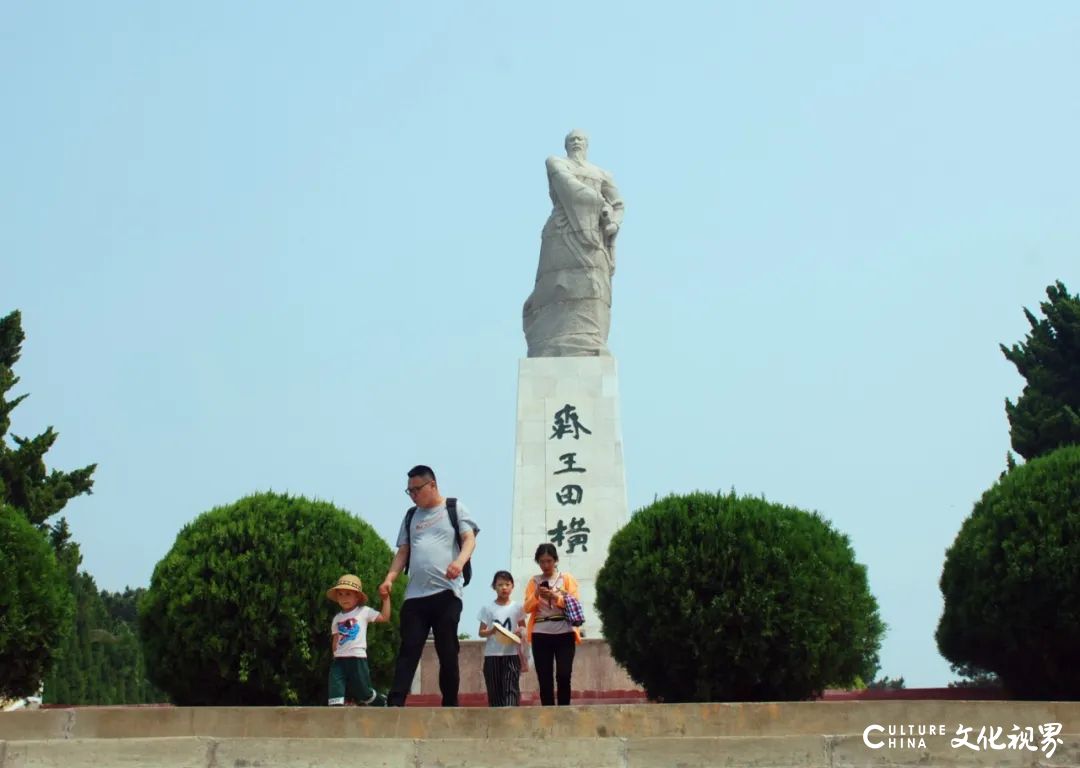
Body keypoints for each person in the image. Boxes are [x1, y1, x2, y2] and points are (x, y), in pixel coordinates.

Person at [379, 465, 479, 707]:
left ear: (432, 484)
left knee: (447, 651)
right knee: (409, 648)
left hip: (446, 593)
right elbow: (403, 550)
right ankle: (395, 703)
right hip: (415, 596)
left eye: (417, 489)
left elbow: (469, 539)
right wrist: (390, 578)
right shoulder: (411, 516)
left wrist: (459, 561)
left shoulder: (454, 508)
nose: (413, 494)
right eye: (409, 491)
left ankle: (450, 704)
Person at [522, 129, 625, 358]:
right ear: (566, 145)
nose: (576, 142)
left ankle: (592, 340)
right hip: (561, 233)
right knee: (556, 286)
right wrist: (601, 204)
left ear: (587, 144)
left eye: (580, 139)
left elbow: (618, 204)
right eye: (572, 139)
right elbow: (569, 187)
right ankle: (550, 341)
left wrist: (613, 223)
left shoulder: (601, 173)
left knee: (594, 286)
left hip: (594, 238)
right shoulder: (556, 163)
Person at [523, 543, 581, 705]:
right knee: (544, 676)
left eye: (549, 561)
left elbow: (575, 602)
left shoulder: (567, 579)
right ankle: (547, 712)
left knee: (564, 674)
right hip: (541, 633)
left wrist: (555, 597)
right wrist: (536, 594)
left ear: (556, 560)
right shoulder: (533, 581)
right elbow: (526, 608)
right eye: (542, 561)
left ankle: (564, 710)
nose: (546, 565)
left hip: (564, 631)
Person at [326, 574, 390, 706]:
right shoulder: (337, 618)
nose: (344, 598)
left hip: (357, 658)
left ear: (357, 597)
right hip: (339, 659)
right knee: (335, 686)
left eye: (348, 594)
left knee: (363, 691)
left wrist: (386, 599)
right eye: (341, 594)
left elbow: (384, 617)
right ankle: (335, 710)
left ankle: (380, 701)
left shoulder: (364, 611)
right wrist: (335, 655)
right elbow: (336, 639)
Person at [476, 570, 526, 707]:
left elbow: (523, 628)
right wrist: (492, 631)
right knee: (495, 692)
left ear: (512, 586)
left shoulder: (518, 607)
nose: (504, 588)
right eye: (500, 585)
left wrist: (519, 632)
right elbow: (481, 632)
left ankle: (511, 721)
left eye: (507, 584)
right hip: (492, 655)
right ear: (494, 587)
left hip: (511, 654)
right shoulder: (488, 608)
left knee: (511, 690)